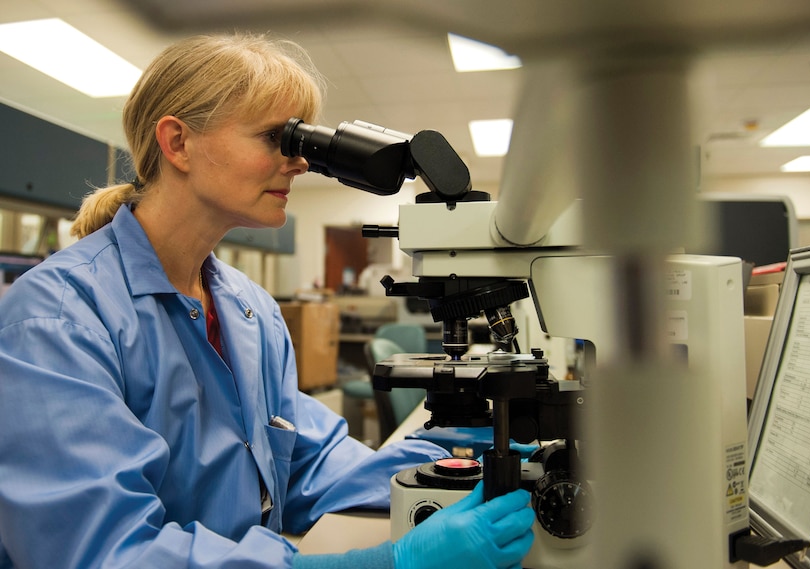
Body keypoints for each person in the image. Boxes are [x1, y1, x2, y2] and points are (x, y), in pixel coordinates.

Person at [0, 33, 534, 569]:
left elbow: (312, 465)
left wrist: (463, 458)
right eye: (277, 137)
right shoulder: (58, 320)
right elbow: (105, 553)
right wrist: (383, 564)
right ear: (178, 143)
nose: (300, 162)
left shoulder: (248, 309)